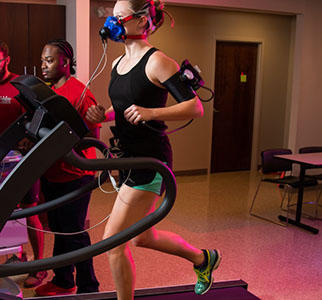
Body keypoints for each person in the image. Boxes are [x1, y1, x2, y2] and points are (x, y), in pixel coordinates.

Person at [86, 1, 221, 299]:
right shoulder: (116, 64)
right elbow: (121, 108)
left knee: (113, 243)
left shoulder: (157, 61)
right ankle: (203, 259)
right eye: (112, 17)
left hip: (151, 161)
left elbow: (194, 107)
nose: (113, 22)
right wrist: (104, 115)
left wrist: (151, 113)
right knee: (142, 237)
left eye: (119, 17)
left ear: (141, 20)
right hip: (127, 159)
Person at [0, 39, 46, 288]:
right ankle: (20, 256)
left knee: (29, 212)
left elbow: (40, 116)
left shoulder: (21, 86)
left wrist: (30, 138)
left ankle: (39, 266)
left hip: (22, 160)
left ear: (7, 60)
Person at [34, 39, 100, 296]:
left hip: (76, 175)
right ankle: (63, 280)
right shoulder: (49, 92)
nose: (44, 66)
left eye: (49, 60)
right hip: (54, 173)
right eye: (42, 61)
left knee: (74, 233)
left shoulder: (81, 93)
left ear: (65, 62)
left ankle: (89, 288)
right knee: (60, 230)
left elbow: (91, 136)